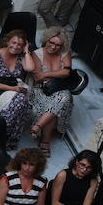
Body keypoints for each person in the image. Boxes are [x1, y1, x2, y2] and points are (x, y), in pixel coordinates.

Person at [0, 30, 35, 148]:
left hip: (14, 91)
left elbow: (30, 68)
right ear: (7, 41)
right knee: (21, 100)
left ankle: (4, 138)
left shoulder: (20, 56)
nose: (15, 47)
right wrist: (12, 88)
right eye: (13, 42)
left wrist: (26, 51)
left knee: (21, 100)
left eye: (19, 45)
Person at [30, 27, 77, 155]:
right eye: (51, 42)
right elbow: (37, 77)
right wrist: (58, 73)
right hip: (40, 90)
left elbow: (66, 72)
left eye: (58, 45)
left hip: (59, 89)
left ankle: (38, 126)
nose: (54, 47)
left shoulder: (65, 53)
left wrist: (47, 74)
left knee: (64, 97)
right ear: (46, 40)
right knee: (57, 105)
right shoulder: (36, 54)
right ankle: (45, 141)